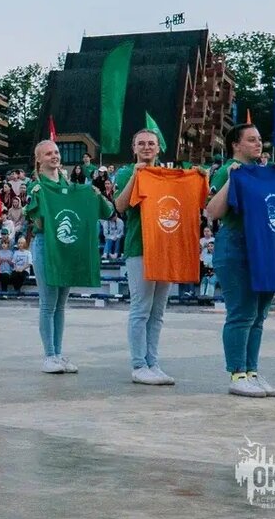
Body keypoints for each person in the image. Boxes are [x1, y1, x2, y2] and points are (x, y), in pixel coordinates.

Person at [205, 123, 275, 398]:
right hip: (236, 248)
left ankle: (251, 371)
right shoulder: (228, 170)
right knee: (242, 313)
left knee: (259, 315)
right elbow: (212, 211)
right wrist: (232, 180)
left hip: (266, 249)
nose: (258, 144)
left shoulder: (268, 173)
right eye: (251, 140)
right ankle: (237, 373)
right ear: (235, 145)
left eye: (259, 139)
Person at [27, 140, 112, 375]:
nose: (54, 156)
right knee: (48, 303)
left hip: (67, 247)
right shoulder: (37, 187)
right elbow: (38, 224)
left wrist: (94, 194)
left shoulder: (73, 186)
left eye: (56, 152)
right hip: (46, 245)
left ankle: (58, 353)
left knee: (61, 305)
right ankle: (49, 355)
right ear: (39, 159)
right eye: (48, 153)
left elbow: (108, 211)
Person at [113, 130, 176, 387]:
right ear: (134, 148)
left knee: (158, 311)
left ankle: (153, 362)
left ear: (159, 148)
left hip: (165, 247)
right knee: (141, 308)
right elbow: (120, 206)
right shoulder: (126, 173)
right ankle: (139, 365)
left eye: (151, 143)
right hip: (139, 247)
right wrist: (136, 176)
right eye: (141, 143)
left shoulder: (168, 175)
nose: (147, 147)